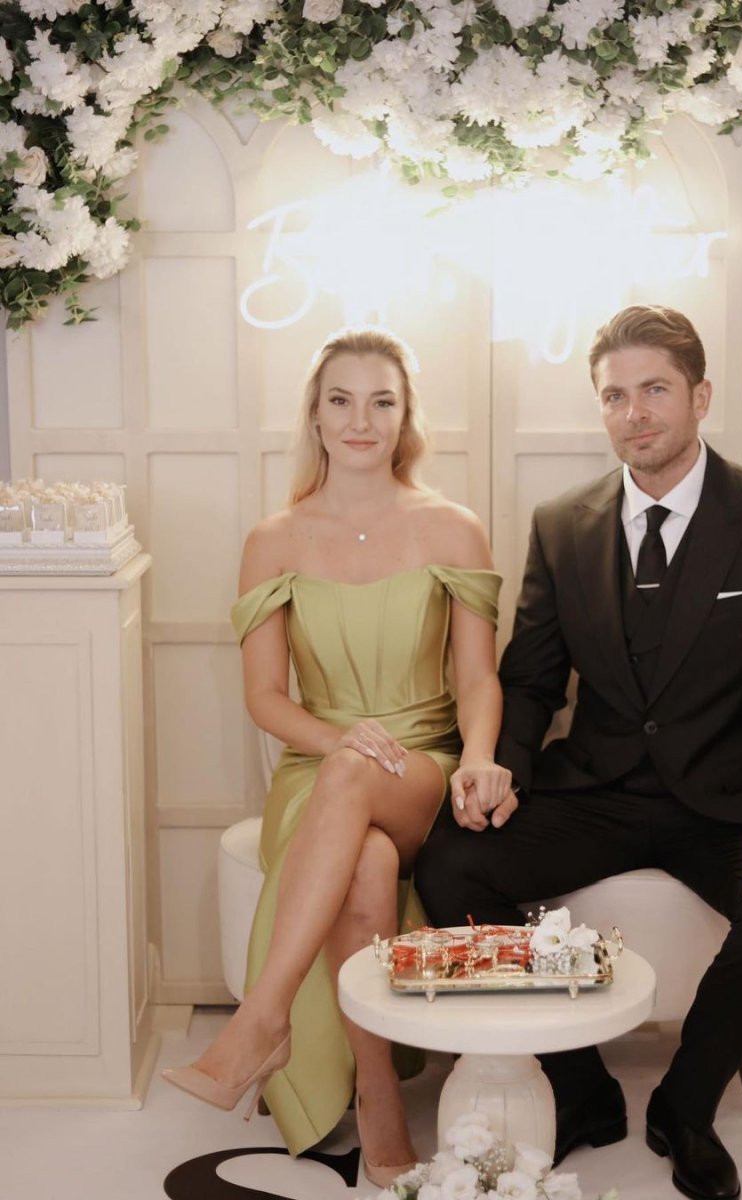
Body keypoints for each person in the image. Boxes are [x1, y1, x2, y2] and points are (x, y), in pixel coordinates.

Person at [415, 305, 742, 1200]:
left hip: (736, 799)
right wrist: (499, 765)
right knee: (451, 863)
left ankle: (685, 1107)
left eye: (656, 389)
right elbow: (532, 680)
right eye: (615, 396)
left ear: (701, 397)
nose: (635, 413)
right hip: (600, 789)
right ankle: (580, 1085)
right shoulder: (562, 524)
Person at [162, 327, 509, 1185]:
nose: (361, 420)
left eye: (382, 401)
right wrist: (338, 738)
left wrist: (478, 756)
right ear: (315, 417)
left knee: (365, 789)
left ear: (405, 416)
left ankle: (261, 1021)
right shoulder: (273, 539)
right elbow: (266, 697)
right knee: (367, 860)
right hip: (315, 769)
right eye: (341, 401)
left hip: (418, 766)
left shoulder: (453, 528)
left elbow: (477, 678)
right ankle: (379, 1100)